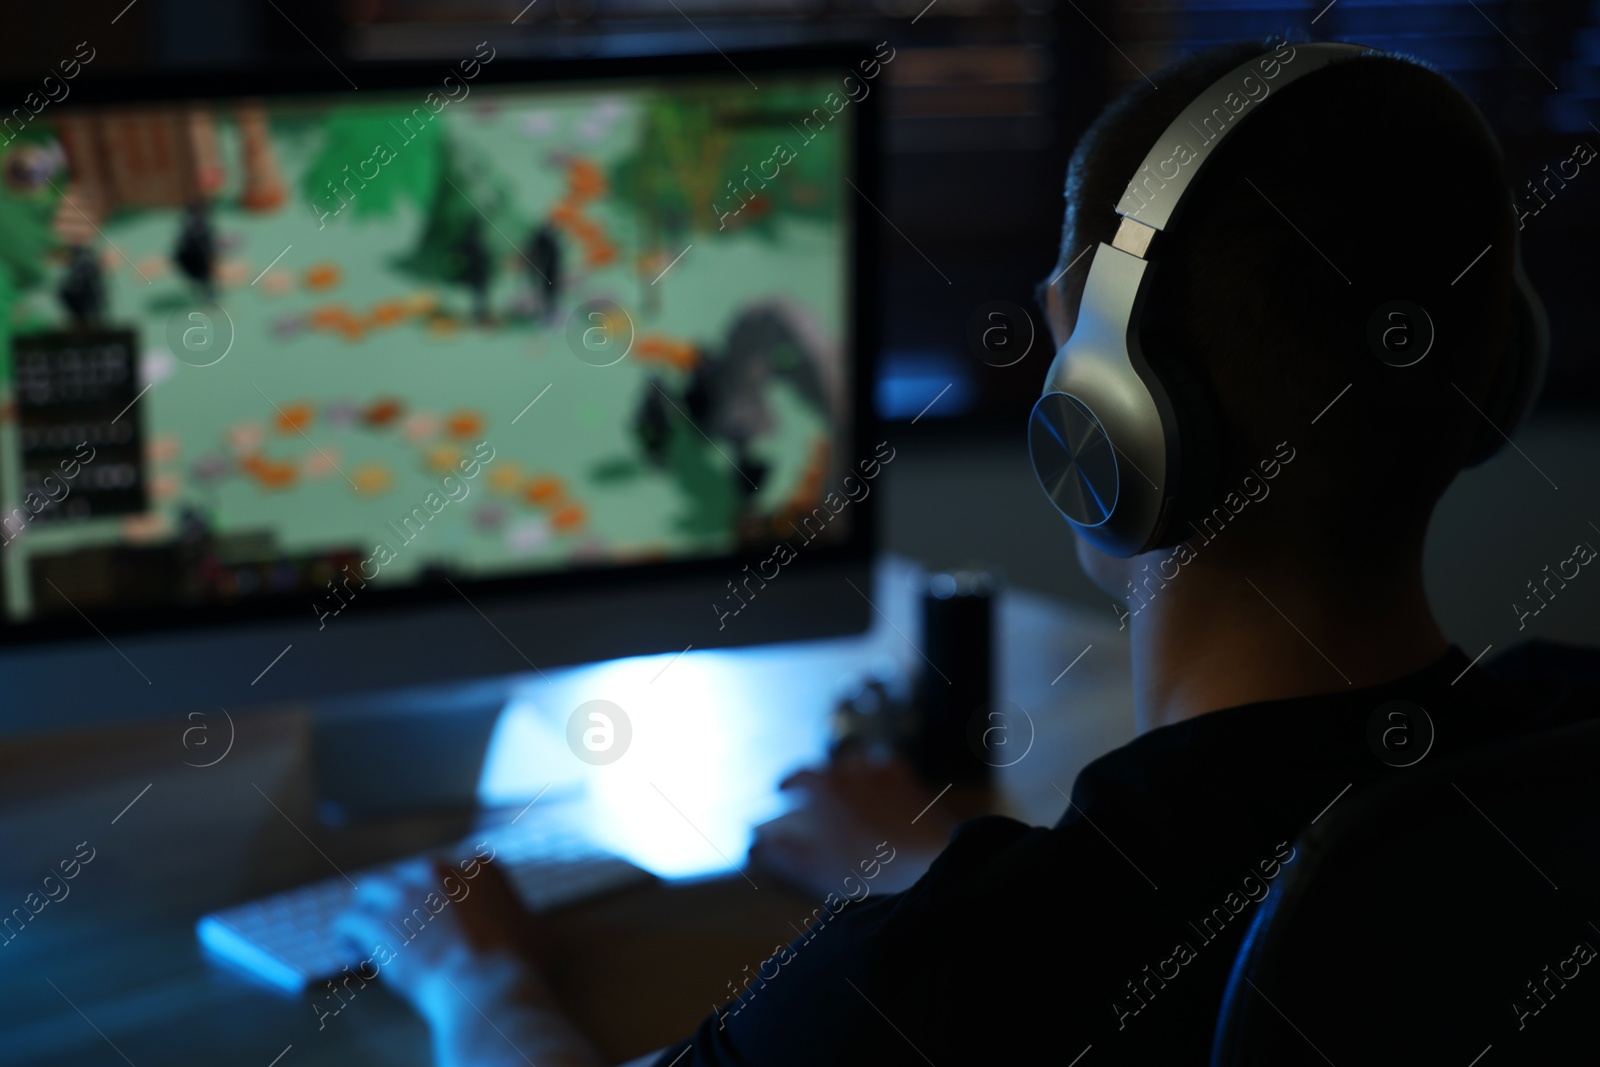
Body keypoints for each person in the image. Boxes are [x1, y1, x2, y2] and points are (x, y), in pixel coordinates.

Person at [334, 36, 1600, 1064]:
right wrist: (934, 859)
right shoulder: (1562, 747)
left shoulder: (936, 987)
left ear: (1108, 419)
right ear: (1494, 372)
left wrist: (475, 978)